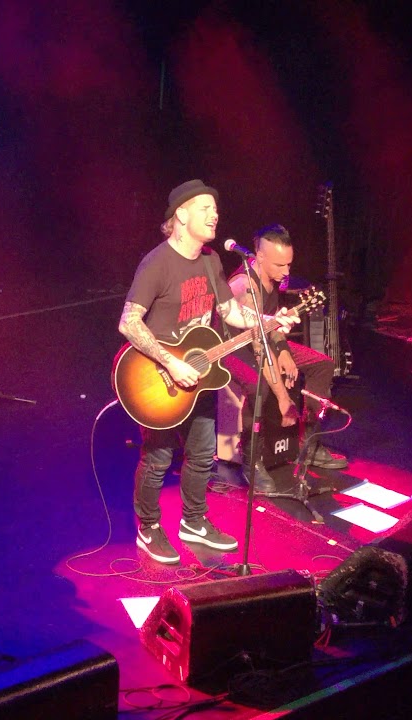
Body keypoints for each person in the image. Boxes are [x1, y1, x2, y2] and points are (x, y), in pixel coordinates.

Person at [119, 180, 298, 565]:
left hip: (202, 376)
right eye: (204, 208)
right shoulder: (157, 262)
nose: (214, 214)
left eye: (215, 208)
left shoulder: (211, 260)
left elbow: (230, 313)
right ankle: (148, 529)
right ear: (180, 215)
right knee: (158, 459)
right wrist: (170, 361)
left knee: (202, 456)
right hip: (159, 379)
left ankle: (194, 522)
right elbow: (129, 323)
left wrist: (269, 320)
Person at [226, 224, 348, 492]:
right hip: (233, 349)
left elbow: (271, 327)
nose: (287, 272)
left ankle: (309, 443)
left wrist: (283, 351)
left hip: (264, 342)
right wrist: (283, 400)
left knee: (322, 365)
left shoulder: (275, 280)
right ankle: (251, 459)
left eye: (289, 264)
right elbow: (258, 349)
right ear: (259, 257)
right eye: (280, 265)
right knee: (258, 384)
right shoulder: (246, 286)